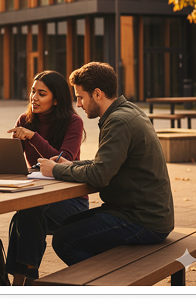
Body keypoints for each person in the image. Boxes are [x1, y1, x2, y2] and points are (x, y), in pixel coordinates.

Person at [39, 62, 174, 266]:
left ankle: (108, 285)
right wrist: (69, 165)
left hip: (142, 220)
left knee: (64, 240)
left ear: (98, 94)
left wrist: (56, 169)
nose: (79, 104)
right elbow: (104, 165)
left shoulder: (118, 121)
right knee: (67, 225)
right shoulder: (126, 111)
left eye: (80, 97)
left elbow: (99, 175)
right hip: (142, 213)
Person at [4, 71, 89, 285]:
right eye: (33, 92)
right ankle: (26, 280)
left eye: (42, 93)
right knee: (27, 212)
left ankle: (21, 281)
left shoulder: (73, 122)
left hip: (70, 200)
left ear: (57, 99)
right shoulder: (25, 120)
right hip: (37, 194)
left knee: (26, 214)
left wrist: (34, 137)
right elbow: (13, 161)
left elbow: (63, 160)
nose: (34, 97)